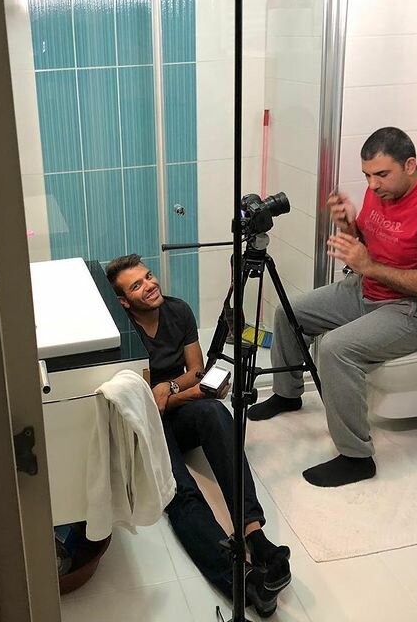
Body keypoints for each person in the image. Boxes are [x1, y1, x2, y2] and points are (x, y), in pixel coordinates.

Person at [248, 126, 417, 487]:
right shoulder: (383, 189)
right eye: (367, 176)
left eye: (381, 175)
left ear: (410, 165)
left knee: (336, 349)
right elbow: (367, 243)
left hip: (416, 310)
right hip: (367, 288)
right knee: (288, 312)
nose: (372, 185)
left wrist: (368, 266)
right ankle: (287, 394)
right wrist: (348, 224)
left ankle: (357, 458)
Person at [106, 254, 291, 616]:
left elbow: (196, 370)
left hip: (175, 410)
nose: (150, 285)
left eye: (149, 276)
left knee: (215, 412)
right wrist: (180, 392)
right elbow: (148, 405)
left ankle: (255, 535)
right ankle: (242, 580)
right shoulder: (124, 333)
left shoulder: (178, 311)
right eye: (137, 286)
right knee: (179, 490)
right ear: (125, 301)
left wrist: (172, 388)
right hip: (146, 423)